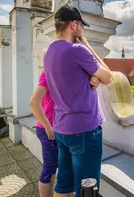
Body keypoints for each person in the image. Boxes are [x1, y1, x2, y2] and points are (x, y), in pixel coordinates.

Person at [43, 4, 112, 197]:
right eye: (81, 25)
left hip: (62, 129)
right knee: (87, 189)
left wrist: (89, 77)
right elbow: (108, 77)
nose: (82, 29)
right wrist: (87, 46)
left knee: (63, 185)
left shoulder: (48, 53)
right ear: (74, 25)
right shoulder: (77, 51)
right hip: (84, 130)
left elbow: (69, 78)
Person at [30, 60, 100, 197]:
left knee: (65, 175)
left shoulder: (68, 73)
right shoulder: (49, 72)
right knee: (53, 169)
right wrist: (47, 126)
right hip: (54, 129)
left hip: (66, 130)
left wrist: (92, 78)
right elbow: (33, 103)